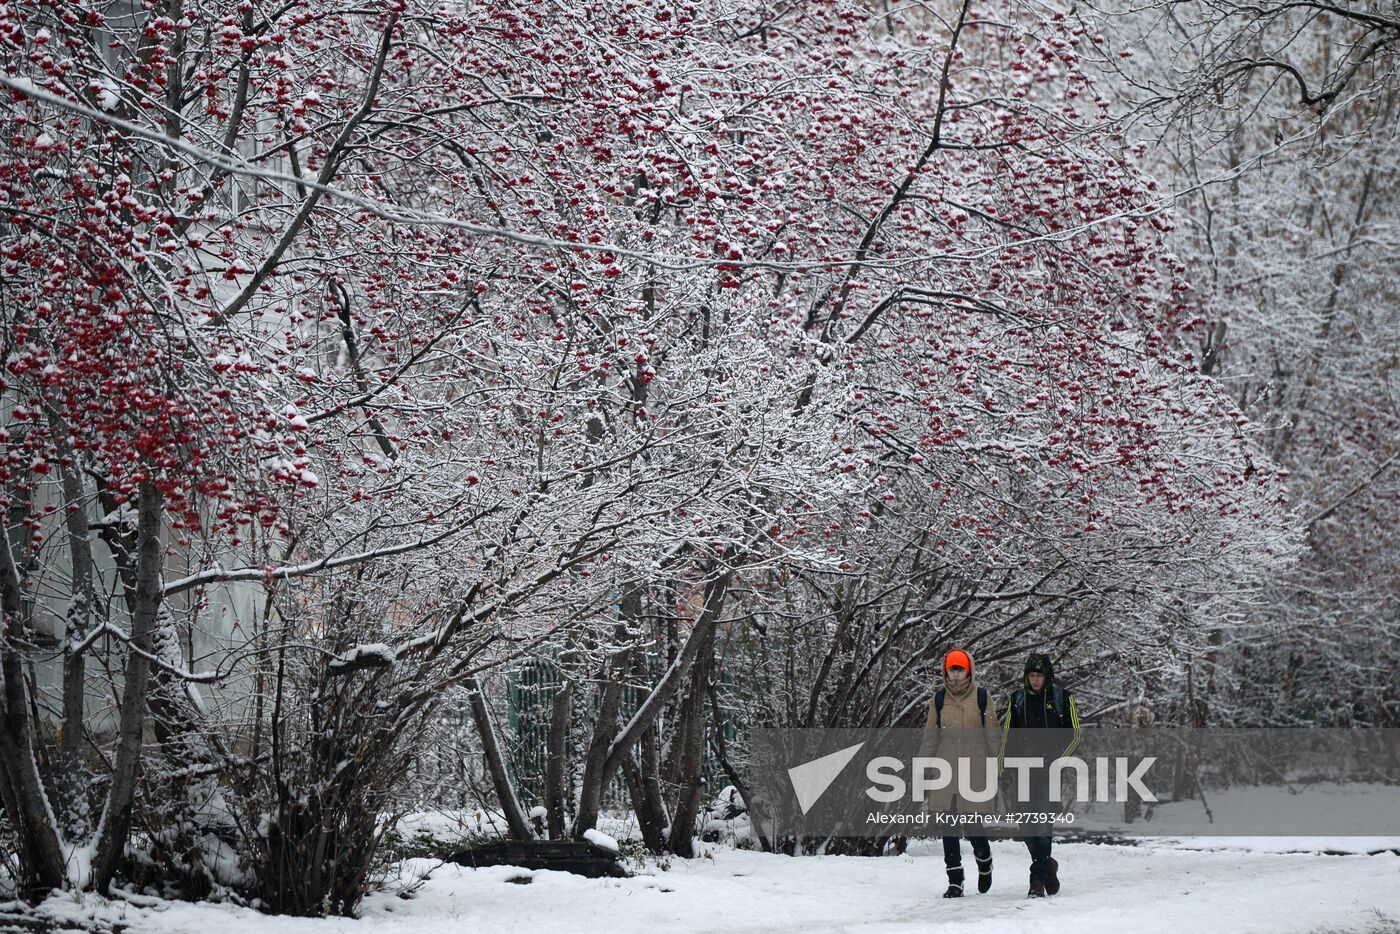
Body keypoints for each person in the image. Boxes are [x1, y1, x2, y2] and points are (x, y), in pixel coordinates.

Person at [999, 652, 1081, 898]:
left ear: (1047, 676)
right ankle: (1048, 866)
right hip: (1022, 771)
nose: (1035, 680)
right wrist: (1003, 770)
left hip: (1050, 773)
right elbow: (1007, 736)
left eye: (1039, 675)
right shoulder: (1018, 699)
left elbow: (1075, 735)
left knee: (1043, 825)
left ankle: (1036, 881)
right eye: (1031, 675)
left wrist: (1055, 762)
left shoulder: (1062, 699)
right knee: (1026, 828)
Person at [921, 649, 1001, 898]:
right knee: (949, 826)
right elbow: (930, 735)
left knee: (974, 824)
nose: (955, 675)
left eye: (960, 669)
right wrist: (924, 766)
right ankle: (955, 880)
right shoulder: (939, 699)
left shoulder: (981, 697)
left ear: (969, 670)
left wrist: (998, 765)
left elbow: (992, 733)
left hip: (975, 769)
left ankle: (984, 859)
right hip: (945, 770)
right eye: (951, 670)